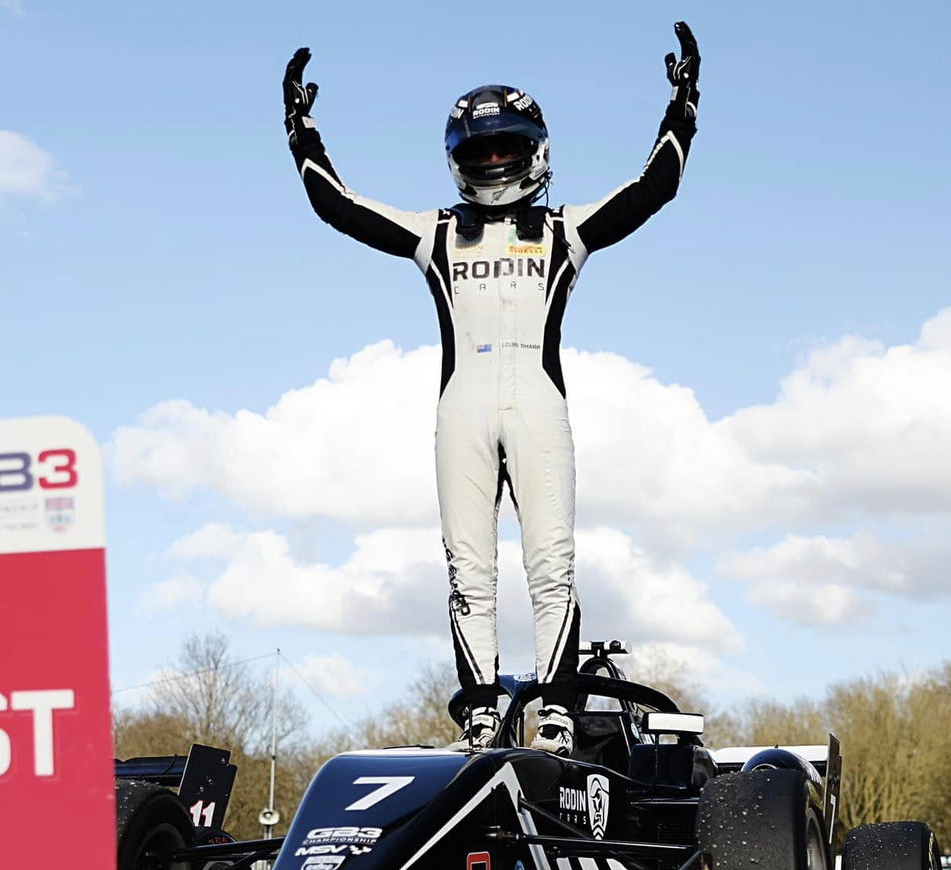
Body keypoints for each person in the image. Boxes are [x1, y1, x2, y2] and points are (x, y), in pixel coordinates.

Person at [282, 27, 701, 755]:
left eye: (506, 147)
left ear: (535, 151)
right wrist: (301, 129)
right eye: (480, 152)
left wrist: (683, 104)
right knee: (468, 568)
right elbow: (336, 205)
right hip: (462, 413)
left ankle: (559, 714)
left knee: (551, 564)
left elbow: (654, 187)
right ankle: (481, 713)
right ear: (456, 163)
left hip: (538, 408)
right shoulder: (434, 234)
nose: (494, 162)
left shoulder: (566, 229)